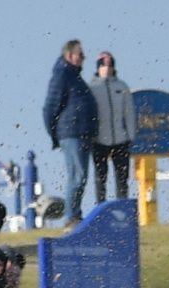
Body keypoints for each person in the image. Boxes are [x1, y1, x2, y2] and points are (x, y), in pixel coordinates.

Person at [43, 40, 97, 224]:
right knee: (77, 175)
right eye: (80, 54)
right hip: (71, 133)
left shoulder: (74, 76)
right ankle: (71, 215)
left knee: (80, 175)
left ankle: (74, 213)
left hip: (82, 133)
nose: (83, 58)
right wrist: (55, 134)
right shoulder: (62, 75)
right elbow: (50, 107)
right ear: (69, 55)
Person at [89, 52, 136, 202]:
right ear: (98, 68)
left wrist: (130, 135)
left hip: (120, 139)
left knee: (122, 177)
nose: (107, 68)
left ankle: (122, 206)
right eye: (103, 65)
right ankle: (100, 207)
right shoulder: (92, 87)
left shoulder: (121, 87)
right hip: (99, 140)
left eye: (110, 65)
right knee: (100, 176)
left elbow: (129, 112)